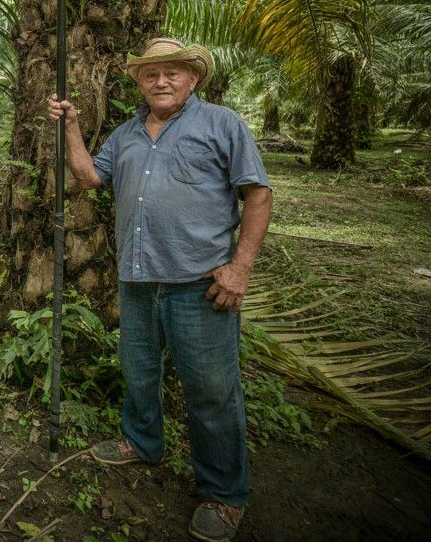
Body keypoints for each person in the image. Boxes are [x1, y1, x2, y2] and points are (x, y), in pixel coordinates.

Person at [47, 37, 272, 542]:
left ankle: (223, 493)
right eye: (151, 74)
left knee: (212, 391)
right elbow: (87, 178)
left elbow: (257, 195)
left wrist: (240, 269)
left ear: (193, 79)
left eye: (173, 72)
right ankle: (142, 442)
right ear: (140, 83)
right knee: (139, 370)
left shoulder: (222, 124)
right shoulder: (126, 134)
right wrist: (73, 127)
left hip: (200, 283)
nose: (161, 81)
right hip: (139, 280)